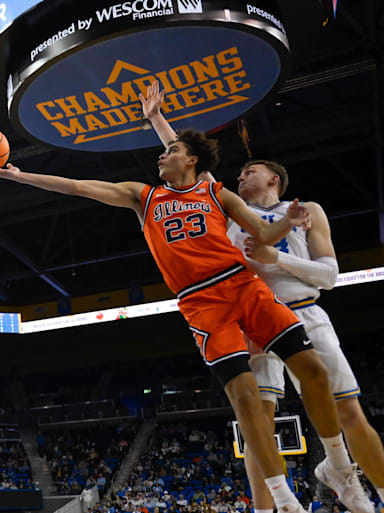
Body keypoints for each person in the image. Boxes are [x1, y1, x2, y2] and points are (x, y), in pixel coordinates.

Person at [0, 83, 347, 513]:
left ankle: (339, 464)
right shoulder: (145, 196)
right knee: (247, 402)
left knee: (313, 371)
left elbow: (265, 234)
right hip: (201, 303)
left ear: (191, 160)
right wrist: (17, 175)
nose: (161, 154)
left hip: (242, 285)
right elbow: (78, 186)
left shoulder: (216, 192)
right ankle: (284, 502)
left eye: (170, 149)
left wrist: (287, 221)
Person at [142, 83, 382, 513]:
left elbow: (330, 276)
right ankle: (267, 508)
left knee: (350, 413)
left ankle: (354, 483)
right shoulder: (218, 202)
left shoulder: (306, 209)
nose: (239, 176)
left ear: (272, 177)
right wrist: (157, 118)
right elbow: (185, 164)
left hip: (304, 313)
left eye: (248, 172)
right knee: (257, 419)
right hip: (247, 316)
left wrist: (278, 258)